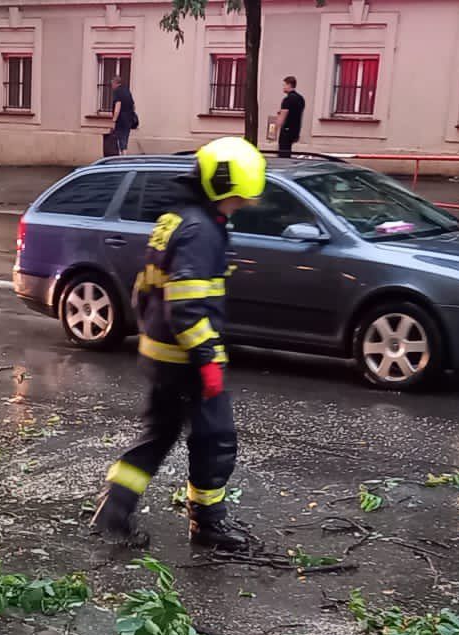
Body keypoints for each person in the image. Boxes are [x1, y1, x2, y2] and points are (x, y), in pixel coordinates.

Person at [90, 137, 267, 552]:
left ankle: (114, 510)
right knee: (215, 439)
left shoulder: (175, 220)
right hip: (187, 360)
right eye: (238, 199)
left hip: (162, 355)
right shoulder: (201, 230)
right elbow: (186, 304)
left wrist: (152, 338)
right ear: (224, 186)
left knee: (158, 435)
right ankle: (208, 526)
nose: (239, 206)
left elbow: (143, 290)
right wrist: (206, 359)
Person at [268, 76, 305, 158]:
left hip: (286, 131)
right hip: (295, 130)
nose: (283, 87)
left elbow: (282, 117)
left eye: (284, 85)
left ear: (289, 85)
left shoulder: (287, 100)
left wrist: (272, 132)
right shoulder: (301, 98)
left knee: (283, 154)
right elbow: (296, 113)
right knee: (289, 152)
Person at [107, 82, 139, 156]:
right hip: (129, 120)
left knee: (119, 139)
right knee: (125, 139)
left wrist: (114, 120)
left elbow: (118, 107)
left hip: (121, 120)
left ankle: (121, 157)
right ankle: (124, 156)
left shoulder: (117, 92)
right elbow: (133, 106)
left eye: (112, 84)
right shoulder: (127, 91)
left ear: (115, 83)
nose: (111, 86)